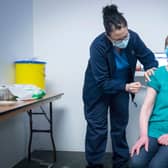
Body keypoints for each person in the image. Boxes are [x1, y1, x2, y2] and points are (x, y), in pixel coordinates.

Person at [82, 4, 158, 168]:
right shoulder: (98, 46)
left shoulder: (133, 38)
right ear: (108, 37)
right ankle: (94, 164)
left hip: (122, 88)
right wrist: (125, 87)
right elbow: (102, 82)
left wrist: (151, 67)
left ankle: (121, 163)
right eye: (118, 39)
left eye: (126, 35)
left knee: (119, 126)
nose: (124, 40)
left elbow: (148, 56)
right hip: (98, 90)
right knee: (97, 129)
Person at [130, 36, 168, 168]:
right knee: (136, 162)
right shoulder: (158, 74)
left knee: (156, 166)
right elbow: (146, 108)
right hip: (154, 130)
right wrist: (143, 136)